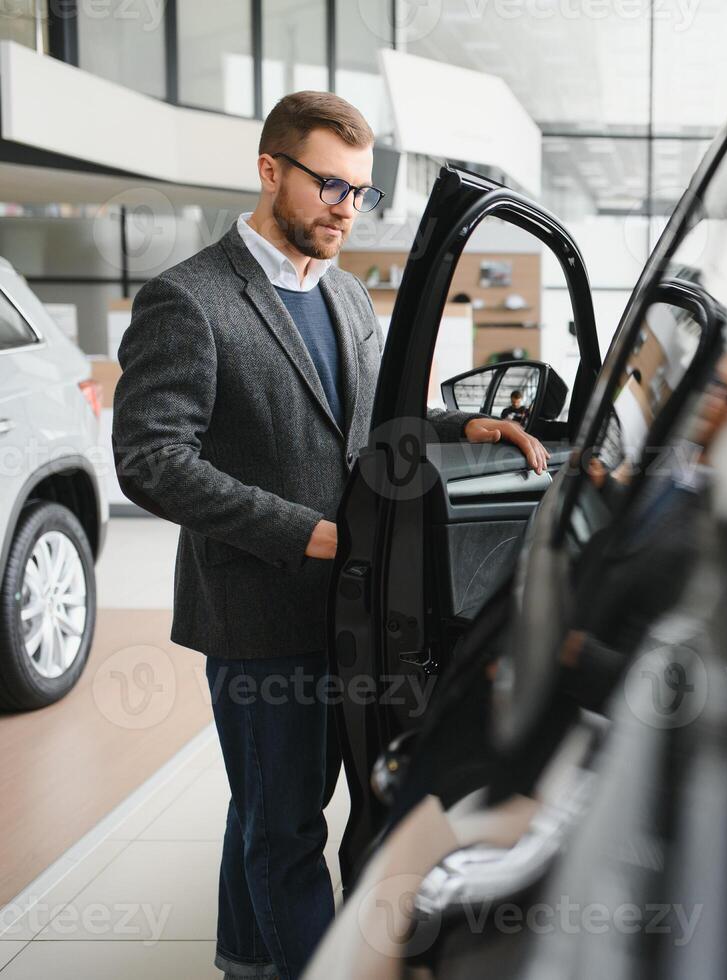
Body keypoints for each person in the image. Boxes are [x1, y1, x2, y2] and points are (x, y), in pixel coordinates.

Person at [110, 91, 548, 980]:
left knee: (281, 811)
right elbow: (151, 459)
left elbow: (378, 428)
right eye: (329, 187)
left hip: (352, 610)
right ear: (270, 170)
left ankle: (246, 957)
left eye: (359, 192)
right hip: (259, 613)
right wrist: (309, 535)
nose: (346, 209)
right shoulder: (188, 300)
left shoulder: (347, 296)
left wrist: (463, 428)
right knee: (284, 827)